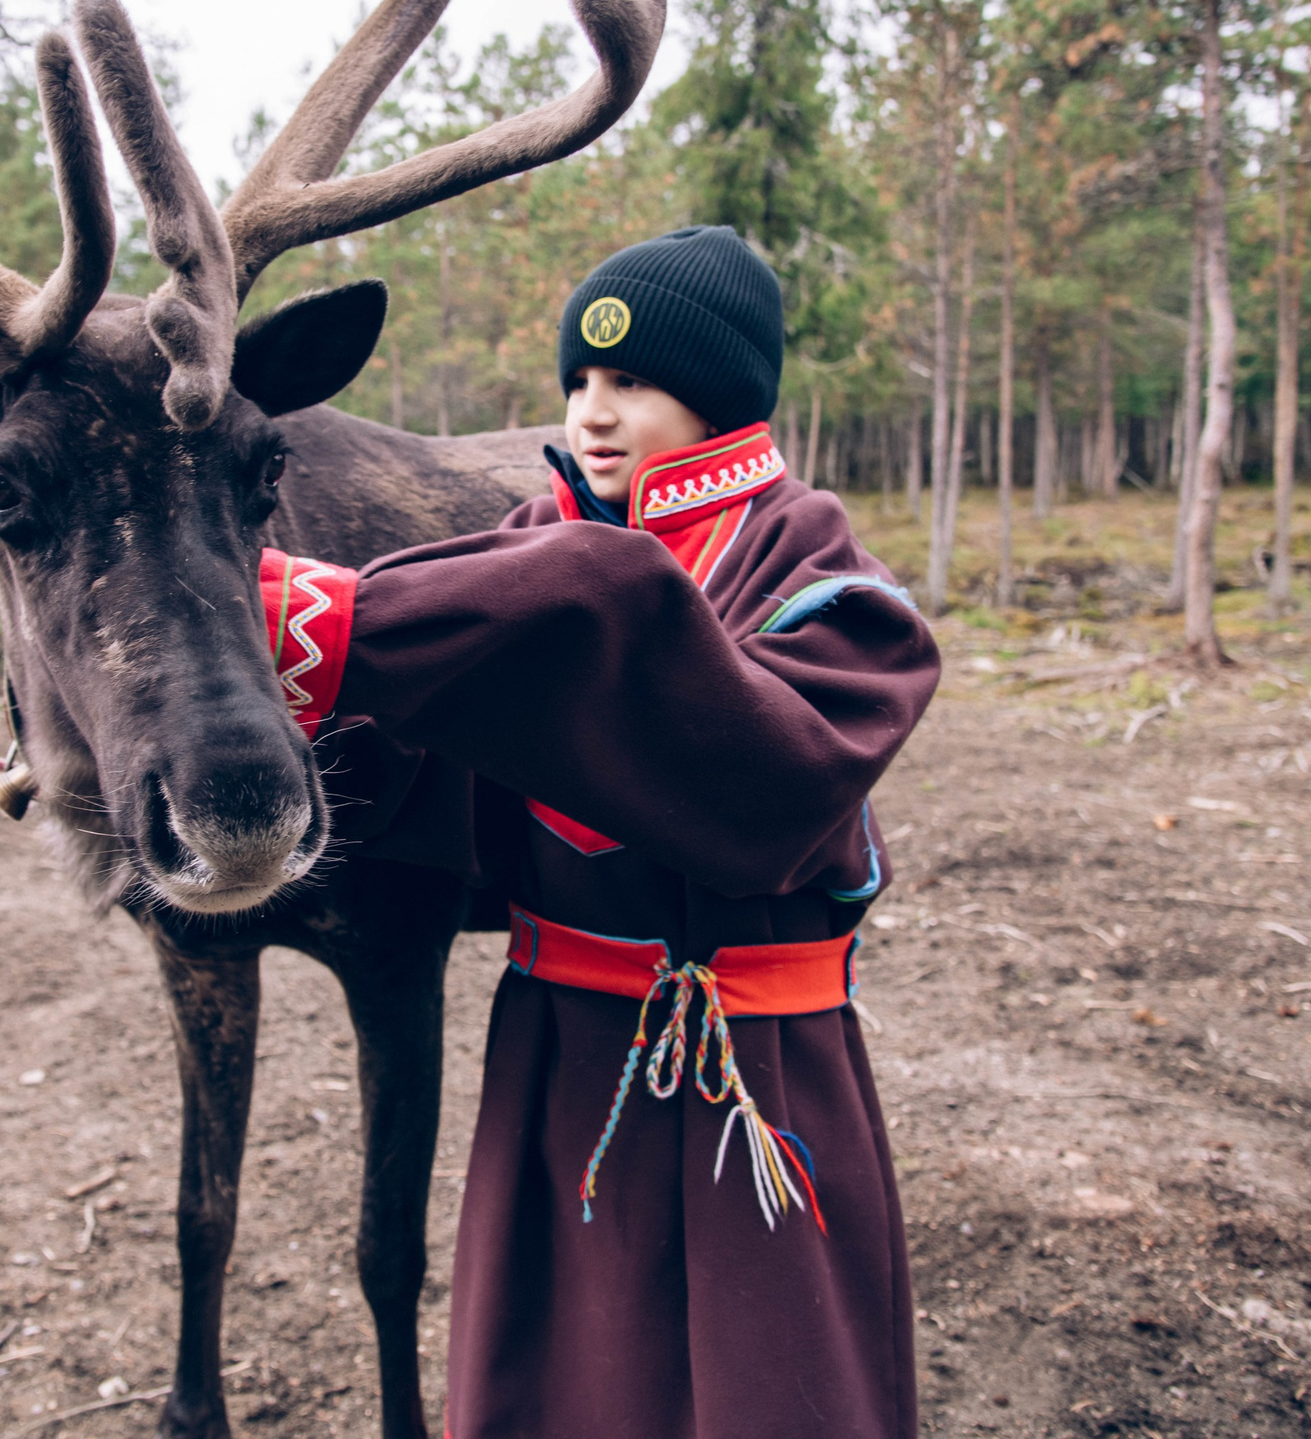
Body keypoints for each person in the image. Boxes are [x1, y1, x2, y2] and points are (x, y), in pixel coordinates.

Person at [269, 225, 937, 1438]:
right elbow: (423, 786)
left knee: (764, 1391)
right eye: (579, 380)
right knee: (559, 1380)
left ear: (723, 391)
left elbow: (766, 791)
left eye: (632, 381)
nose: (593, 411)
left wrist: (341, 620)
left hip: (757, 1075)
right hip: (559, 1054)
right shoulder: (539, 549)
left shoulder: (821, 575)